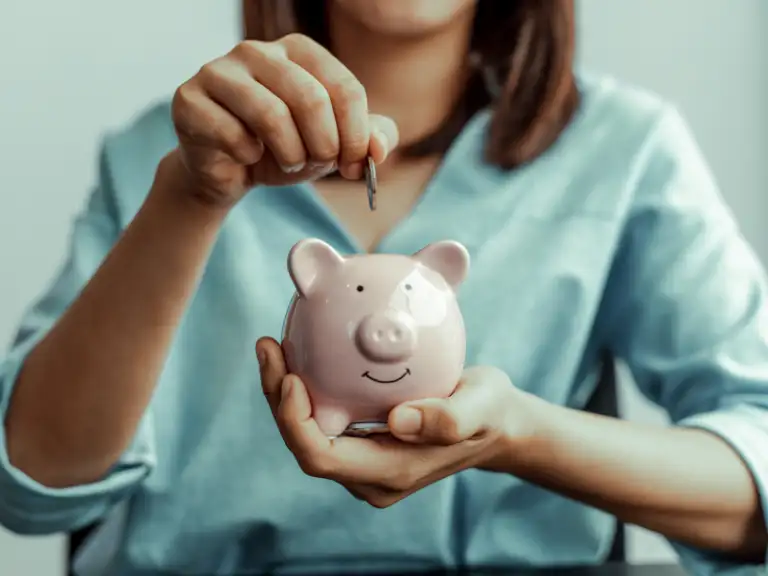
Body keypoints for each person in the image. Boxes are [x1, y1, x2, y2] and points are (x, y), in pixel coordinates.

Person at [0, 0, 766, 574]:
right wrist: (191, 198)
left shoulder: (624, 151)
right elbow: (34, 479)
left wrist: (523, 435)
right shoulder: (162, 162)